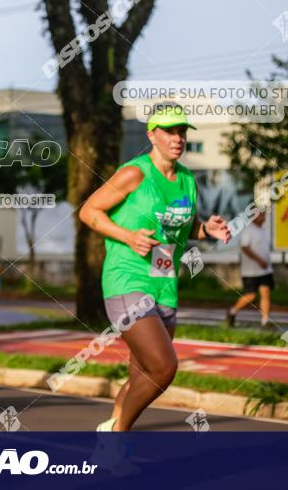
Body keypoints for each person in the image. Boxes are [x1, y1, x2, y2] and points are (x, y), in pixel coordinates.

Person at [79, 104, 230, 432]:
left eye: (182, 131)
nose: (178, 138)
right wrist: (127, 236)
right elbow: (89, 211)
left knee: (142, 375)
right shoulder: (135, 173)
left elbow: (182, 226)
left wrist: (206, 230)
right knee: (163, 368)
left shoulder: (187, 179)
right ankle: (117, 434)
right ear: (152, 135)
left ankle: (112, 449)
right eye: (169, 131)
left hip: (164, 283)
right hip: (127, 280)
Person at [227, 209, 273, 328]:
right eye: (260, 215)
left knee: (265, 293)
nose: (263, 217)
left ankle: (265, 321)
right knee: (250, 296)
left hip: (265, 269)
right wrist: (259, 260)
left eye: (264, 214)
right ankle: (232, 311)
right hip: (251, 271)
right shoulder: (248, 230)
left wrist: (265, 261)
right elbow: (245, 248)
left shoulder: (264, 230)